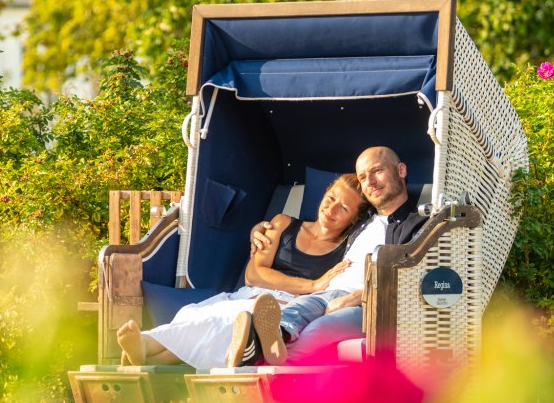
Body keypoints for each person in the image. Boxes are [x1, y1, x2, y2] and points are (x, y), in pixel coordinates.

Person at [116, 174, 370, 371]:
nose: (332, 209)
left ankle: (148, 346)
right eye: (331, 198)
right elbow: (254, 274)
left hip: (286, 307)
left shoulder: (347, 250)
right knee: (205, 316)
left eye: (344, 208)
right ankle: (147, 349)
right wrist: (313, 284)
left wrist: (306, 290)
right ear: (325, 193)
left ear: (353, 219)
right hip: (252, 293)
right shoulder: (283, 223)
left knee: (232, 324)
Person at [232, 146, 428, 365]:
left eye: (377, 171)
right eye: (363, 177)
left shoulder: (419, 225)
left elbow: (416, 280)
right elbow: (318, 227)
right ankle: (265, 344)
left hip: (370, 305)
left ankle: (256, 364)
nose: (370, 181)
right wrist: (259, 229)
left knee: (318, 329)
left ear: (401, 170)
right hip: (329, 293)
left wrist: (359, 296)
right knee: (292, 312)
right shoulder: (360, 223)